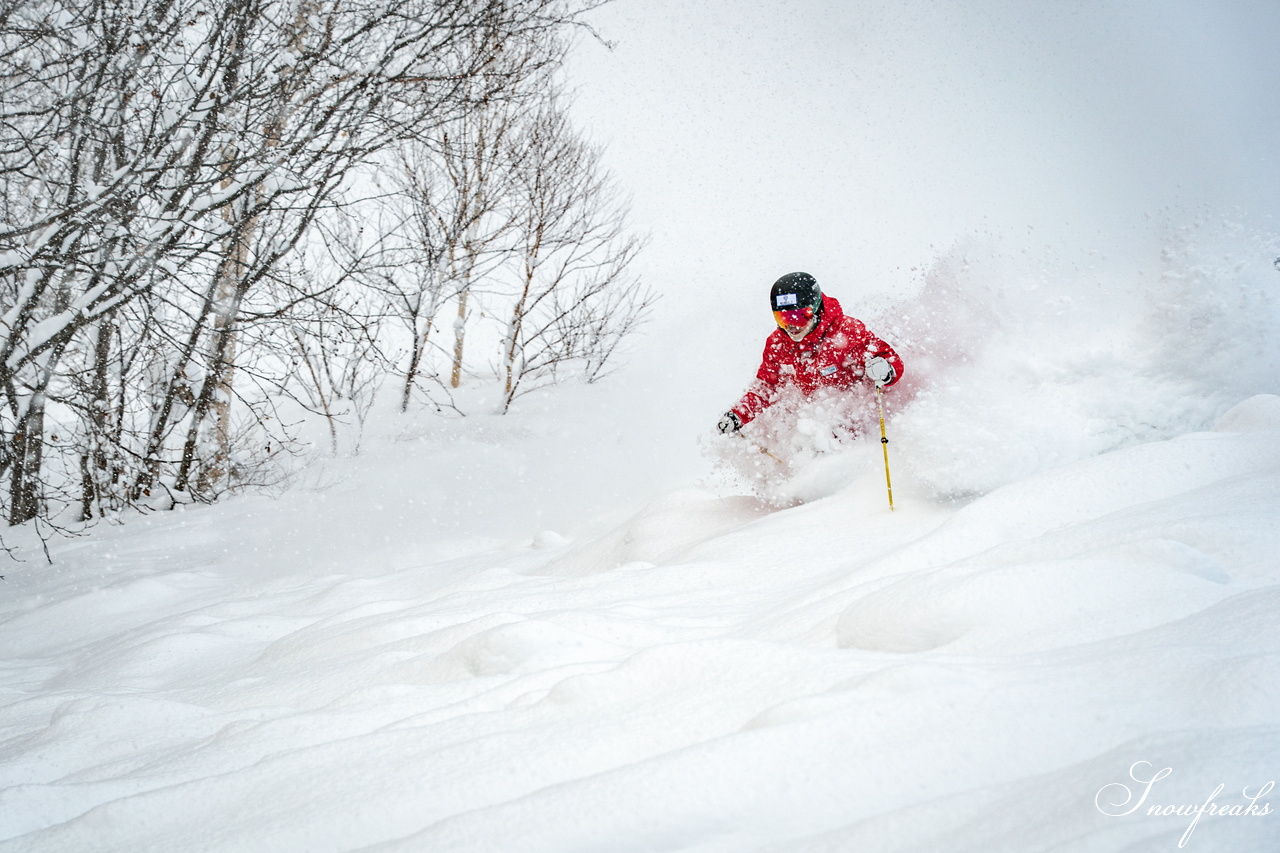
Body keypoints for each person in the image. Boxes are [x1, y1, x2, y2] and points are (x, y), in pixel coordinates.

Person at [717, 272, 903, 434]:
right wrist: (738, 415)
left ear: (815, 309)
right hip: (816, 422)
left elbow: (888, 357)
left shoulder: (846, 332)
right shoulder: (778, 344)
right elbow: (767, 386)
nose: (791, 326)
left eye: (798, 317)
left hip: (856, 417)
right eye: (782, 318)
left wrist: (886, 369)